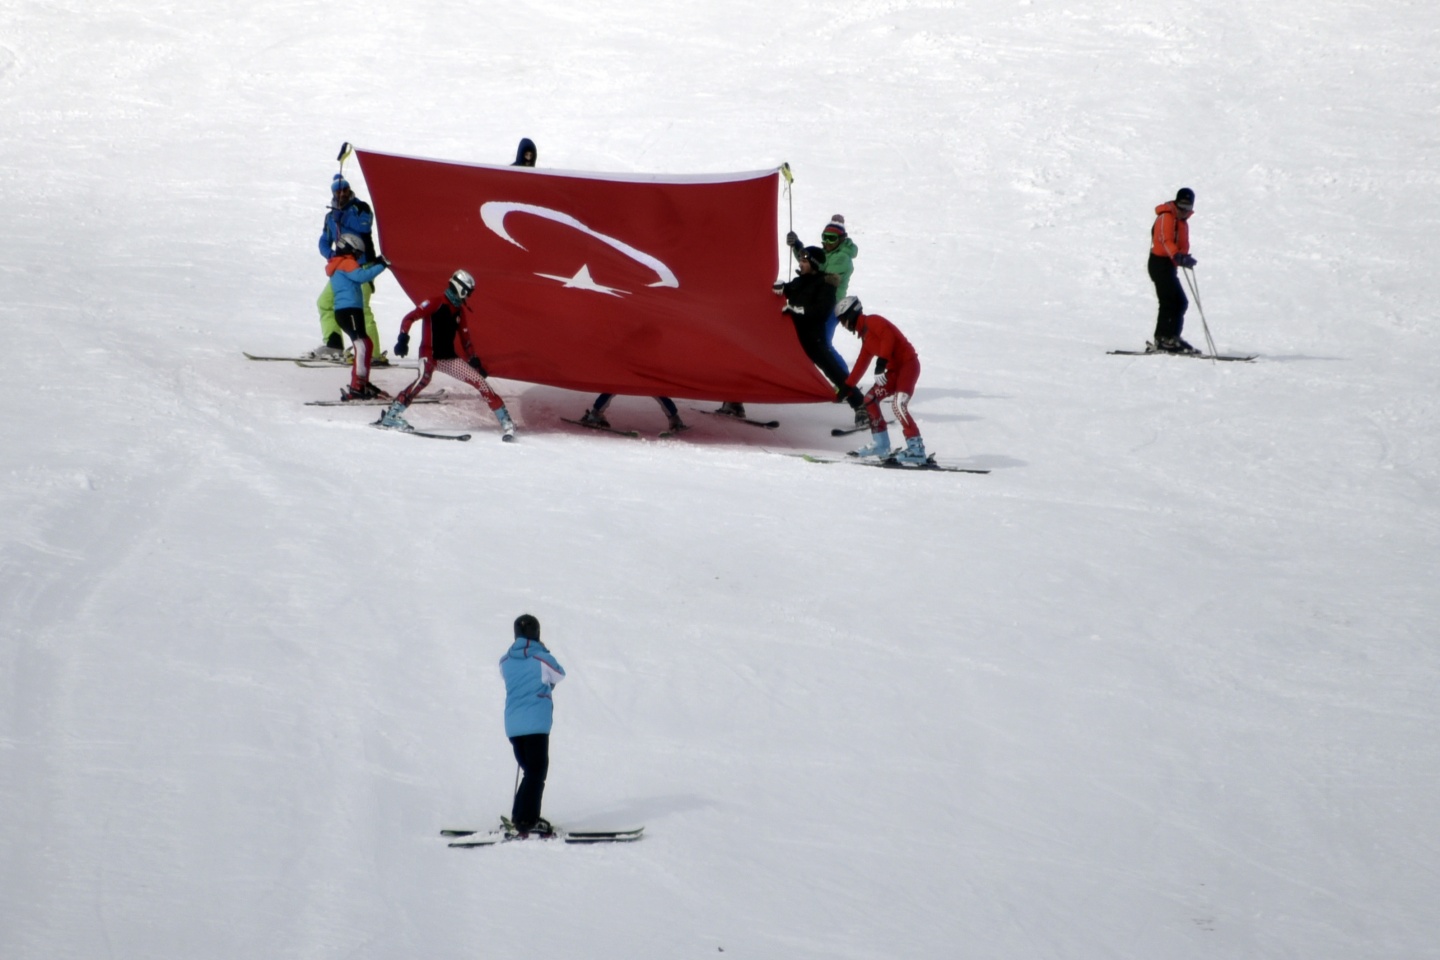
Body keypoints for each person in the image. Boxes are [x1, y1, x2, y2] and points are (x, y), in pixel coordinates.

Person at [377, 270, 517, 439]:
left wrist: (473, 359)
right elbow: (410, 317)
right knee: (423, 379)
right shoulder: (436, 303)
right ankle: (392, 414)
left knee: (479, 381)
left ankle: (505, 421)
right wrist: (403, 338)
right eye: (467, 292)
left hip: (448, 358)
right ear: (460, 288)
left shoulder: (458, 311)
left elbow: (465, 338)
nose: (467, 296)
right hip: (429, 354)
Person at [837, 296, 929, 464]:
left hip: (908, 366)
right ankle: (881, 443)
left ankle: (917, 449)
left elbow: (888, 337)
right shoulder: (865, 338)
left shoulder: (873, 321)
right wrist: (847, 386)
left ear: (850, 314)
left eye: (842, 320)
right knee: (869, 399)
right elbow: (861, 363)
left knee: (898, 405)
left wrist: (881, 362)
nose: (842, 325)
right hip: (893, 371)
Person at [499, 613, 565, 838]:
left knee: (530, 771)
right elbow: (558, 675)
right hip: (536, 723)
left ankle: (519, 817)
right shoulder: (540, 657)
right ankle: (527, 820)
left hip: (513, 725)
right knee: (537, 772)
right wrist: (543, 651)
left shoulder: (505, 661)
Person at [315, 175, 386, 364]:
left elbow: (363, 227)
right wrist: (329, 255)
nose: (342, 193)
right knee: (325, 302)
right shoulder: (330, 216)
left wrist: (343, 218)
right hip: (341, 268)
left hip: (362, 264)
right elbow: (324, 240)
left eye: (345, 189)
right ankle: (334, 342)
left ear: (349, 189)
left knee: (362, 308)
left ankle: (374, 354)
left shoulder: (360, 207)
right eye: (338, 191)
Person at [326, 234, 390, 401]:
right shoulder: (346, 262)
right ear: (350, 249)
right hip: (349, 310)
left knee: (366, 343)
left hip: (349, 310)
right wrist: (383, 265)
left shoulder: (339, 263)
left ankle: (363, 382)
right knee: (361, 345)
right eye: (357, 253)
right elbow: (361, 276)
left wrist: (376, 262)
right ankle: (357, 386)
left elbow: (359, 272)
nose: (358, 257)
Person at [1148, 187, 1198, 354]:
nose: (1185, 210)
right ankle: (1162, 338)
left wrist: (1184, 257)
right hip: (1159, 263)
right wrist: (1178, 256)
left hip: (1169, 265)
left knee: (1180, 302)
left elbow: (1181, 244)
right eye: (1182, 206)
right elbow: (1165, 240)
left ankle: (1172, 338)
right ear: (1176, 203)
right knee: (1169, 301)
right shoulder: (1166, 216)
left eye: (1188, 207)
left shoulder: (1182, 222)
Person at [580, 394, 686, 433]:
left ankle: (595, 414)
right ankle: (675, 419)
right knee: (658, 392)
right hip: (645, 369)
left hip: (630, 369)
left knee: (613, 388)